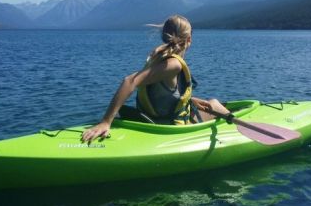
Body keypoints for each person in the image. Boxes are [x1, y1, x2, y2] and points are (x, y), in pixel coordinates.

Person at [82, 15, 229, 142]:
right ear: (189, 39)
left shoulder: (158, 58)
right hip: (169, 127)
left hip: (156, 118)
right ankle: (237, 134)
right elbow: (130, 81)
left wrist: (190, 100)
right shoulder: (174, 64)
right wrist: (106, 122)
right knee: (214, 104)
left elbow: (163, 95)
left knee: (208, 104)